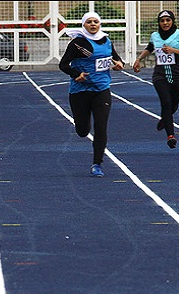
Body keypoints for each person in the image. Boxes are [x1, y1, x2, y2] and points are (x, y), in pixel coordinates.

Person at [59, 12, 124, 177]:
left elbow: (117, 59)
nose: (93, 24)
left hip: (101, 90)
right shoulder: (78, 43)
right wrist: (76, 74)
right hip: (80, 92)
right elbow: (63, 64)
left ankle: (97, 164)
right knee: (82, 130)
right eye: (89, 22)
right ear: (84, 25)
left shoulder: (107, 41)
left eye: (96, 21)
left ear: (100, 24)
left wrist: (119, 64)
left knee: (101, 127)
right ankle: (81, 125)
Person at [132, 10, 179, 149]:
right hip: (160, 75)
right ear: (159, 23)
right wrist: (139, 59)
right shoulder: (155, 36)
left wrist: (174, 50)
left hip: (178, 74)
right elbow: (149, 48)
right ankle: (171, 136)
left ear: (172, 21)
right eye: (162, 21)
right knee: (166, 103)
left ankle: (165, 118)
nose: (165, 23)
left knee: (173, 106)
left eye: (168, 20)